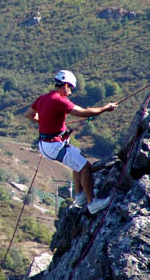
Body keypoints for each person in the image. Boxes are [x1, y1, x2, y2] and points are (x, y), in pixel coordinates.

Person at [25, 70, 118, 214]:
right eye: (71, 89)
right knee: (86, 167)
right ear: (66, 85)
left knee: (78, 159)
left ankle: (80, 195)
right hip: (54, 146)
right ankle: (92, 203)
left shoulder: (43, 98)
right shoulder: (60, 101)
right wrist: (106, 108)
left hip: (46, 144)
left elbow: (29, 114)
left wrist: (43, 121)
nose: (70, 93)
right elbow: (84, 112)